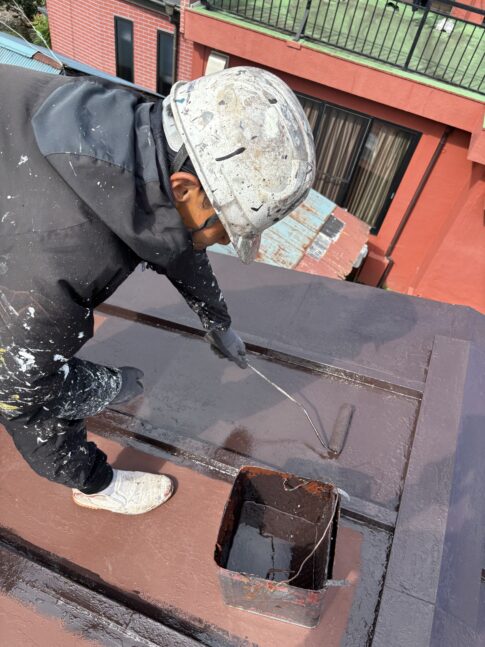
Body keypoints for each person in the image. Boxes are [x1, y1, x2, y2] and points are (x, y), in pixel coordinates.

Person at [0, 65, 315, 515]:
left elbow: (170, 229)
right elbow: (18, 389)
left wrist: (217, 320)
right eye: (226, 228)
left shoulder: (127, 127)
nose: (222, 241)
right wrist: (105, 387)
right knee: (34, 390)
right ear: (186, 189)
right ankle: (96, 487)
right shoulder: (63, 262)